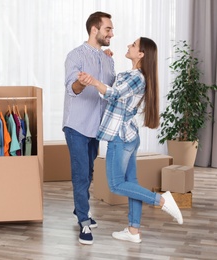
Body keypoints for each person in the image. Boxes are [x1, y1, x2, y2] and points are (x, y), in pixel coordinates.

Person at [80, 37, 183, 243]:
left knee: (116, 185)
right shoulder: (134, 75)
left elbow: (114, 93)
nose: (128, 45)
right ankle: (134, 231)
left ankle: (162, 200)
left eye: (133, 45)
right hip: (128, 135)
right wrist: (105, 60)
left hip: (120, 137)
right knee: (131, 182)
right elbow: (113, 94)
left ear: (141, 54)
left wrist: (92, 81)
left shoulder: (137, 77)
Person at [63, 11, 115, 245]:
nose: (111, 33)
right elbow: (71, 89)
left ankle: (79, 210)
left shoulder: (107, 58)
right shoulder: (75, 56)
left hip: (96, 127)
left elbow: (110, 90)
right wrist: (80, 83)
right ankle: (84, 221)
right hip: (76, 125)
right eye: (108, 29)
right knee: (81, 174)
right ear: (95, 30)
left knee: (89, 173)